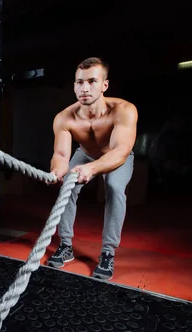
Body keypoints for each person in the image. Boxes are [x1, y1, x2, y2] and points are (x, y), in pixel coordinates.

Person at [46, 57, 138, 280]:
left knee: (115, 188)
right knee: (66, 187)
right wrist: (58, 171)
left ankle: (108, 252)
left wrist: (92, 169)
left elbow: (121, 150)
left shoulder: (124, 110)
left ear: (104, 85)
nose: (84, 88)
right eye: (79, 82)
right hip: (85, 153)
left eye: (92, 81)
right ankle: (65, 245)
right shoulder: (64, 118)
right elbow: (60, 155)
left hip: (115, 156)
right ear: (74, 85)